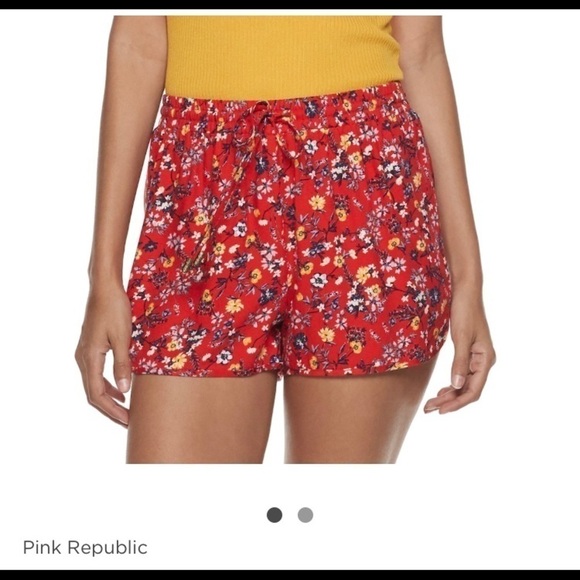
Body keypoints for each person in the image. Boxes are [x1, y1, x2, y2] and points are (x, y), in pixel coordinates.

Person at [75, 15, 496, 464]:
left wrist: (469, 278)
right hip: (203, 196)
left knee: (331, 502)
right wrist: (103, 275)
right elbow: (139, 43)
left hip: (361, 189)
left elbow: (421, 52)